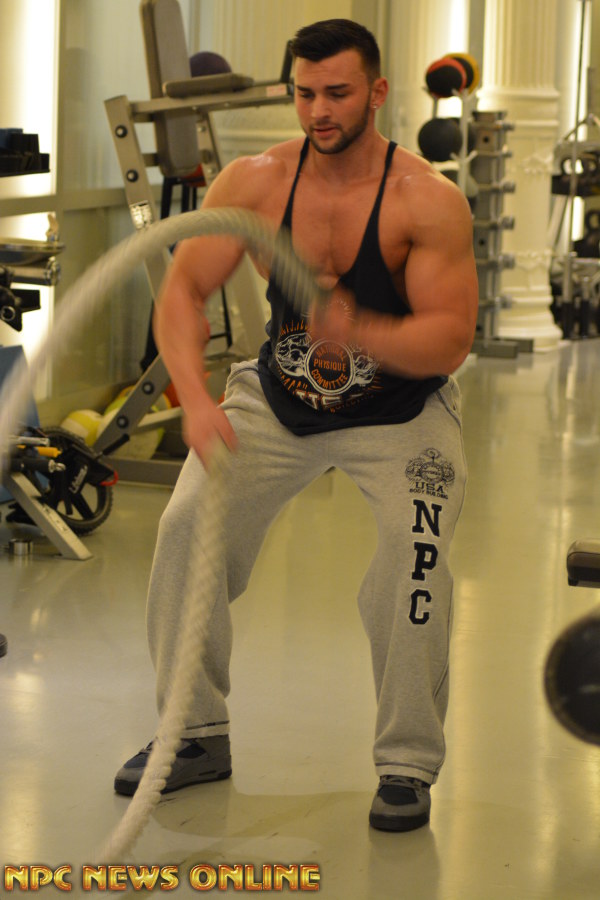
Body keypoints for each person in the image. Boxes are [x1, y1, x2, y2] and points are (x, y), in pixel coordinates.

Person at [114, 18, 479, 833]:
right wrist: (194, 399)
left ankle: (406, 761)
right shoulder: (255, 182)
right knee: (184, 529)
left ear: (377, 92)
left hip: (402, 409)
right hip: (276, 399)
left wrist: (363, 331)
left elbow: (450, 338)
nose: (318, 111)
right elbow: (183, 292)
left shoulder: (426, 199)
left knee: (414, 560)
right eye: (304, 93)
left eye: (337, 93)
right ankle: (195, 732)